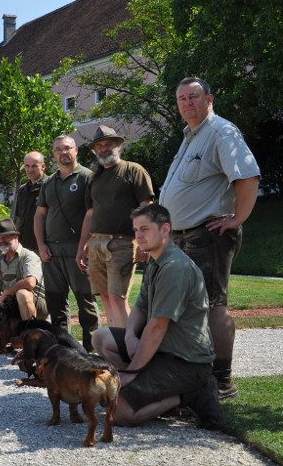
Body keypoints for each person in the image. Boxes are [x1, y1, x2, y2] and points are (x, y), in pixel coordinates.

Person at [160, 76, 261, 399]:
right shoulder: (191, 136)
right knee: (189, 307)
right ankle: (196, 374)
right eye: (182, 98)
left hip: (209, 234)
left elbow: (247, 176)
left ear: (209, 99)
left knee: (213, 305)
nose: (187, 103)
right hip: (182, 236)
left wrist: (237, 218)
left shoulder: (221, 132)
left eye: (193, 96)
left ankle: (221, 381)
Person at [92, 204, 221, 427]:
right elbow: (141, 307)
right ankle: (142, 388)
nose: (138, 236)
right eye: (136, 230)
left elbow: (158, 326)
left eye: (145, 229)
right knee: (101, 337)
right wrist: (130, 336)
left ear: (165, 229)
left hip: (185, 362)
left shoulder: (175, 267)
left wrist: (132, 372)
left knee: (117, 412)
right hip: (161, 351)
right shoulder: (155, 261)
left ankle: (191, 395)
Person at [77, 125, 155, 329]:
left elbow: (147, 207)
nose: (104, 148)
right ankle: (116, 341)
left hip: (123, 243)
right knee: (105, 297)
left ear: (119, 146)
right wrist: (81, 247)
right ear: (95, 150)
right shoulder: (94, 178)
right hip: (96, 244)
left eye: (108, 144)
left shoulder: (133, 170)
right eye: (99, 145)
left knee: (117, 297)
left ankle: (128, 345)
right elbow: (90, 214)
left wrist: (144, 242)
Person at [35, 135, 100, 351]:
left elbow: (93, 214)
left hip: (78, 249)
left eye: (67, 148)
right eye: (58, 150)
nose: (63, 152)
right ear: (53, 155)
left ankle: (91, 351)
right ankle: (63, 350)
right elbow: (40, 215)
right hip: (52, 251)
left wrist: (84, 247)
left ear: (76, 150)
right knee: (55, 303)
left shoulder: (87, 177)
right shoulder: (48, 183)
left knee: (86, 302)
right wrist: (41, 245)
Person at [0, 219, 47, 321]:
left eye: (5, 237)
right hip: (11, 305)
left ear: (16, 237)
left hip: (38, 304)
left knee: (22, 294)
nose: (1, 240)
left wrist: (7, 292)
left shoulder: (28, 256)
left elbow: (30, 283)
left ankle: (32, 328)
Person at [13, 151, 48, 252]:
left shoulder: (50, 186)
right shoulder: (22, 189)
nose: (30, 170)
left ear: (43, 166)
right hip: (24, 245)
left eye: (34, 166)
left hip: (44, 246)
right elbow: (18, 218)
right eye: (27, 166)